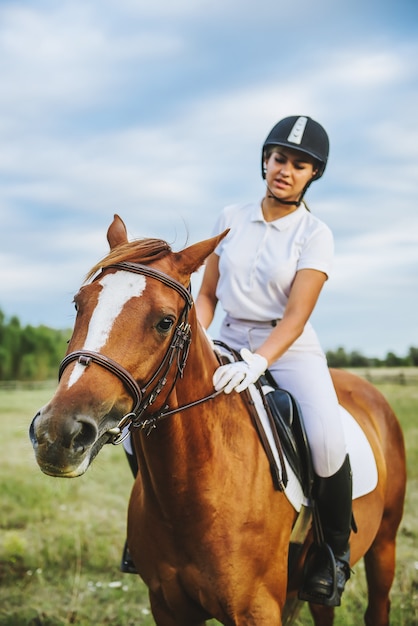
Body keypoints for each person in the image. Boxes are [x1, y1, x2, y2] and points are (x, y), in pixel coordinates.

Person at [195, 115, 352, 607]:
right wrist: (196, 337)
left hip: (287, 348)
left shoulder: (315, 233)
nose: (285, 169)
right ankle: (148, 537)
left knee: (327, 437)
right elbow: (207, 294)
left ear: (312, 175)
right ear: (265, 160)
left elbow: (295, 317)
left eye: (299, 164)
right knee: (150, 417)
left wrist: (258, 363)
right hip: (225, 337)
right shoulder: (229, 216)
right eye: (279, 158)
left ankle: (333, 553)